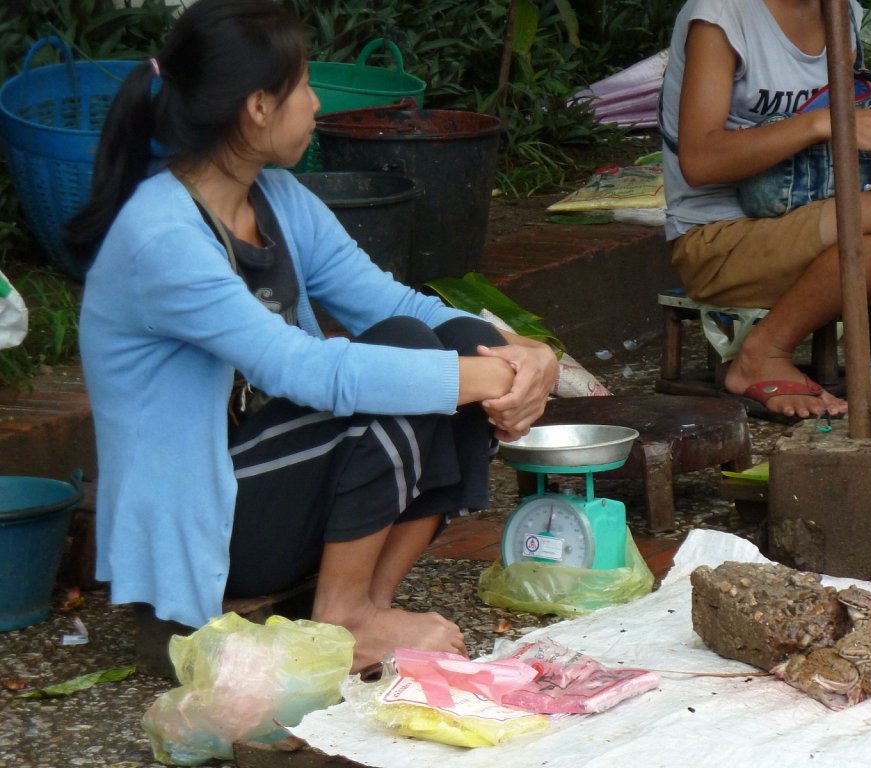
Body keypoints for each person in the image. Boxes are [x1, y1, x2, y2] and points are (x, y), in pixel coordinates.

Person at [64, 0, 557, 672]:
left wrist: (528, 357)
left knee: (461, 336)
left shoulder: (280, 199)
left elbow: (391, 301)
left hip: (271, 492)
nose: (317, 103)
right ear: (258, 107)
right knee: (422, 363)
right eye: (302, 86)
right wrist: (486, 381)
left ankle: (367, 607)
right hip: (208, 531)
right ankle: (346, 617)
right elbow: (299, 369)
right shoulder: (161, 237)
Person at [660, 0, 871, 419]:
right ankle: (762, 353)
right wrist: (823, 124)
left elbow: (851, 132)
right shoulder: (722, 16)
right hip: (719, 240)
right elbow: (700, 162)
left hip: (807, 210)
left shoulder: (841, 10)